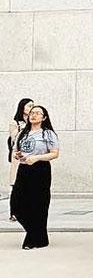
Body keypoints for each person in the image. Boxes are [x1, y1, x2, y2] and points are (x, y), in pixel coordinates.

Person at [11, 104, 59, 250]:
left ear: (44, 117)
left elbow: (55, 153)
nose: (34, 115)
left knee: (38, 204)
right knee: (17, 204)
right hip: (24, 169)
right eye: (32, 112)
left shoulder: (48, 133)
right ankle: (37, 234)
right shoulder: (23, 133)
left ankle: (34, 238)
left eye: (38, 113)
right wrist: (18, 155)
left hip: (40, 170)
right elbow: (15, 151)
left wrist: (37, 158)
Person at [7, 97, 32, 222]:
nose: (31, 108)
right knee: (16, 186)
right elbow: (14, 139)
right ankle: (14, 212)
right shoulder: (15, 123)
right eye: (29, 106)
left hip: (31, 157)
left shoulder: (34, 122)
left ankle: (26, 210)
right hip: (18, 156)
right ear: (22, 108)